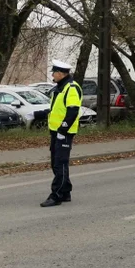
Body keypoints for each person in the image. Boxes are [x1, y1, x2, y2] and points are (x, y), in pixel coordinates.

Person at [41, 60, 83, 208]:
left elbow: (72, 111)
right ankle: (65, 191)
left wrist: (63, 130)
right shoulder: (61, 87)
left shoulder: (71, 88)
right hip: (56, 132)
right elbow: (58, 109)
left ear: (60, 73)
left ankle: (56, 195)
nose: (52, 75)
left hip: (64, 132)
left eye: (54, 72)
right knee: (56, 163)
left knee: (60, 163)